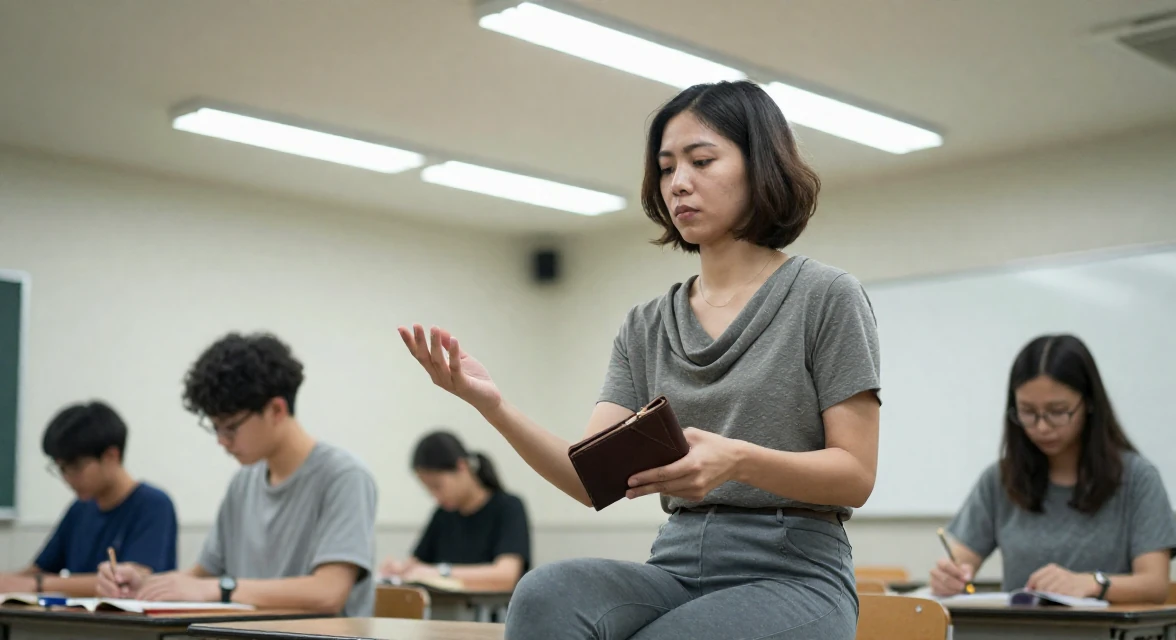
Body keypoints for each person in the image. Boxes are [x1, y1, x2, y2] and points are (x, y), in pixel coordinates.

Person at [398, 80, 880, 640]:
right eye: (667, 167)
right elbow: (589, 479)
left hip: (796, 572)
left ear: (760, 165)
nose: (679, 183)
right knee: (544, 594)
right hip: (675, 566)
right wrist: (494, 406)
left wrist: (737, 461)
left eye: (702, 160)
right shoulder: (646, 324)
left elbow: (856, 476)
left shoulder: (826, 296)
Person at [96, 332, 379, 616]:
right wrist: (145, 585)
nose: (222, 440)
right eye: (215, 428)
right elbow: (202, 577)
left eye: (230, 427)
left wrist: (223, 588)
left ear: (276, 410)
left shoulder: (344, 477)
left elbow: (328, 592)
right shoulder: (244, 482)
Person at [931, 334, 1176, 604]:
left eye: (1057, 411)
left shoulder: (1137, 478)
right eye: (1028, 412)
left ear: (1088, 403)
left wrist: (1091, 583)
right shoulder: (1000, 479)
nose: (1042, 426)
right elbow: (960, 563)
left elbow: (1155, 585)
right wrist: (948, 578)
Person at [0, 401, 177, 596]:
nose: (67, 478)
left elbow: (134, 580)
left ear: (111, 456)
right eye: (61, 469)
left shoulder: (154, 505)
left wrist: (39, 585)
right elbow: (38, 572)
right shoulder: (80, 509)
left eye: (75, 466)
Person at [379, 430, 530, 592]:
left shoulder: (508, 508)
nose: (436, 496)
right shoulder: (442, 515)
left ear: (461, 467)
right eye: (429, 490)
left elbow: (506, 577)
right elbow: (418, 564)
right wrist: (401, 570)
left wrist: (441, 572)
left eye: (437, 486)